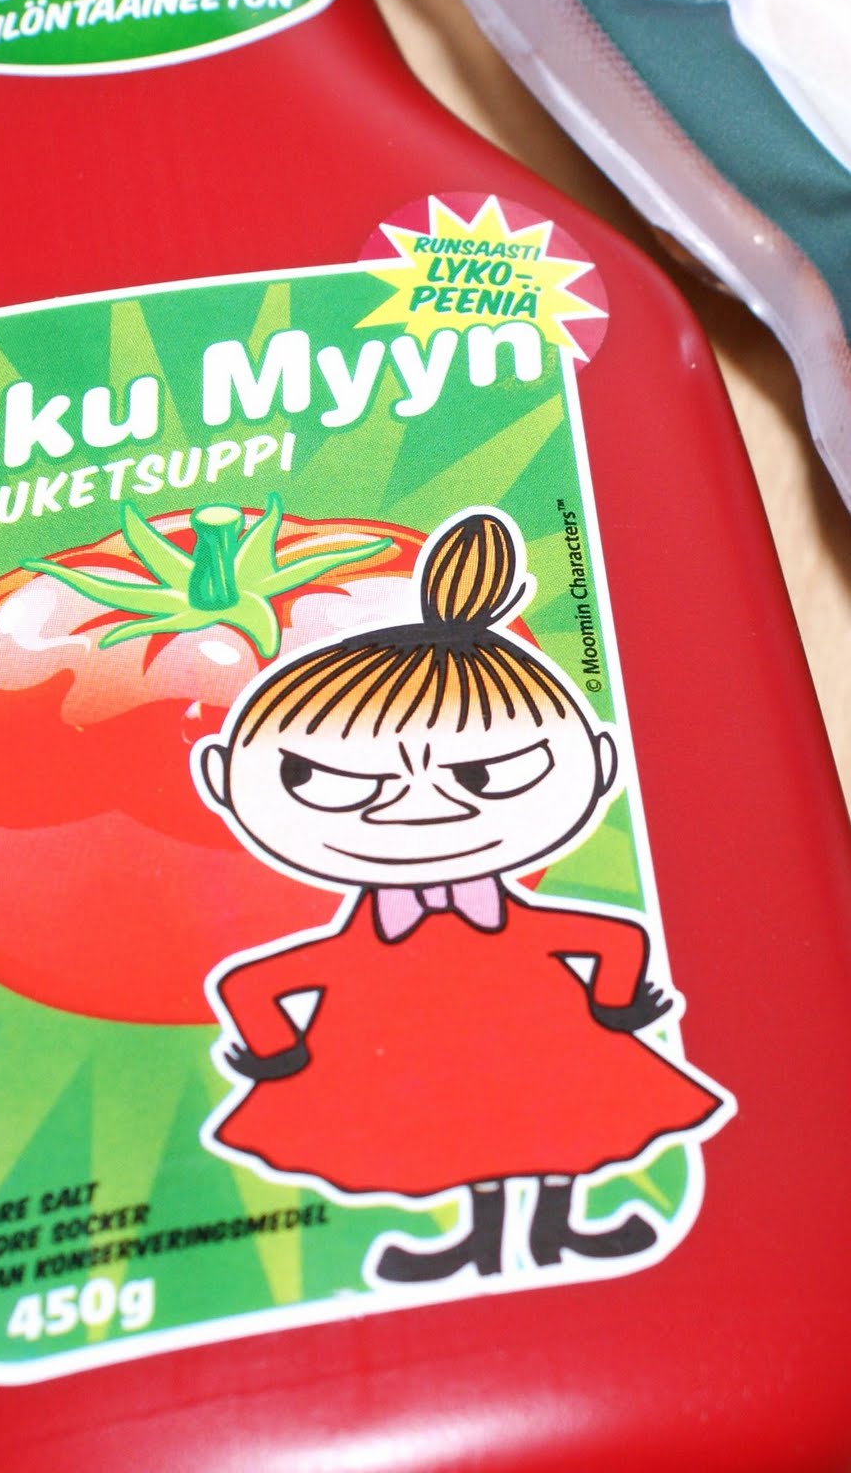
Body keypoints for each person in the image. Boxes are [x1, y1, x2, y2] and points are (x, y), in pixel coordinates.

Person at [193, 507, 727, 1283]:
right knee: (464, 1130)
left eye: (486, 775)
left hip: (531, 1025)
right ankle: (480, 1243)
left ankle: (553, 1232)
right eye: (335, 782)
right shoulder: (368, 939)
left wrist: (277, 1049)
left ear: (600, 762)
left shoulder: (490, 926)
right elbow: (255, 981)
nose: (419, 807)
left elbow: (255, 987)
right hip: (418, 1041)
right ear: (221, 780)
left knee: (555, 1118)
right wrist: (614, 1002)